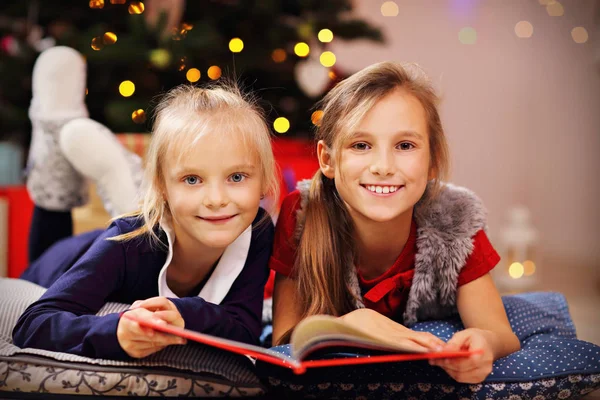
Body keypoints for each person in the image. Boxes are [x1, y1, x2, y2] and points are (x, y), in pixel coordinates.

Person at [270, 61, 520, 384]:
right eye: (361, 145)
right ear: (327, 160)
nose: (383, 166)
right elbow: (283, 343)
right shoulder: (302, 216)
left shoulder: (456, 221)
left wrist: (484, 344)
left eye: (405, 146)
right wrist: (356, 323)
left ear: (433, 161)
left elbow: (501, 334)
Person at [13, 83, 279, 361]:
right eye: (192, 179)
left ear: (263, 180)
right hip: (56, 263)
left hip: (154, 226)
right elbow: (34, 323)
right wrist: (114, 332)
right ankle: (54, 137)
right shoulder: (127, 242)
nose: (216, 199)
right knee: (61, 225)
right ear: (162, 186)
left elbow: (245, 330)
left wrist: (185, 314)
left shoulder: (256, 230)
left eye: (236, 177)